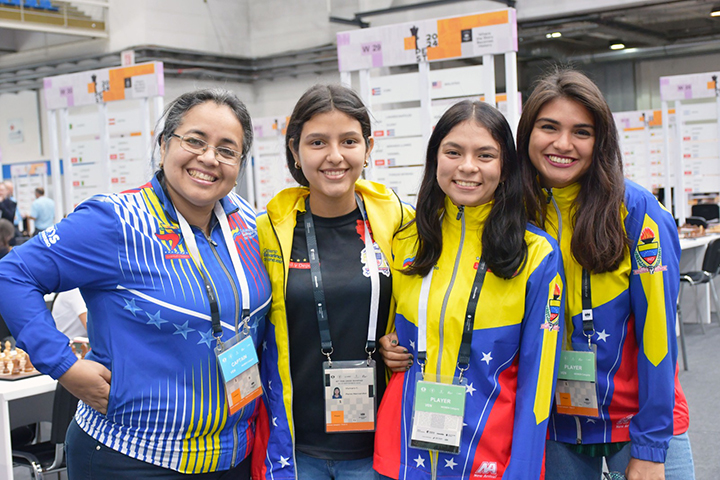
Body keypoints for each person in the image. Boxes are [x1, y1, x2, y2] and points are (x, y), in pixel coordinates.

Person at [0, 89, 272, 479]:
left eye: (227, 150)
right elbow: (11, 275)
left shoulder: (247, 223)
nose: (209, 158)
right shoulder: (116, 221)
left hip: (234, 455)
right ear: (164, 145)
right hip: (133, 456)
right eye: (194, 141)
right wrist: (63, 366)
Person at [516, 69, 694, 480]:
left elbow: (658, 331)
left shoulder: (636, 210)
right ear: (527, 133)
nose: (563, 144)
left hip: (640, 420)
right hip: (551, 428)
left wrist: (651, 445)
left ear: (600, 141)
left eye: (582, 131)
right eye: (549, 127)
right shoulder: (512, 215)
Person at [374, 100, 564, 479]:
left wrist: (523, 471)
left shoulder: (536, 254)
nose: (467, 166)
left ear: (505, 167)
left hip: (488, 460)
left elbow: (538, 381)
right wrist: (388, 346)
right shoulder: (407, 240)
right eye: (453, 152)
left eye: (485, 154)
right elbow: (394, 334)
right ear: (436, 159)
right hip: (400, 457)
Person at [252, 84, 413, 480]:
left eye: (349, 141)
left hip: (378, 447)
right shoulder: (267, 232)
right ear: (295, 150)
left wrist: (401, 340)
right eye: (318, 142)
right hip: (294, 447)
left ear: (368, 147)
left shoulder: (400, 223)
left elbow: (426, 302)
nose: (335, 156)